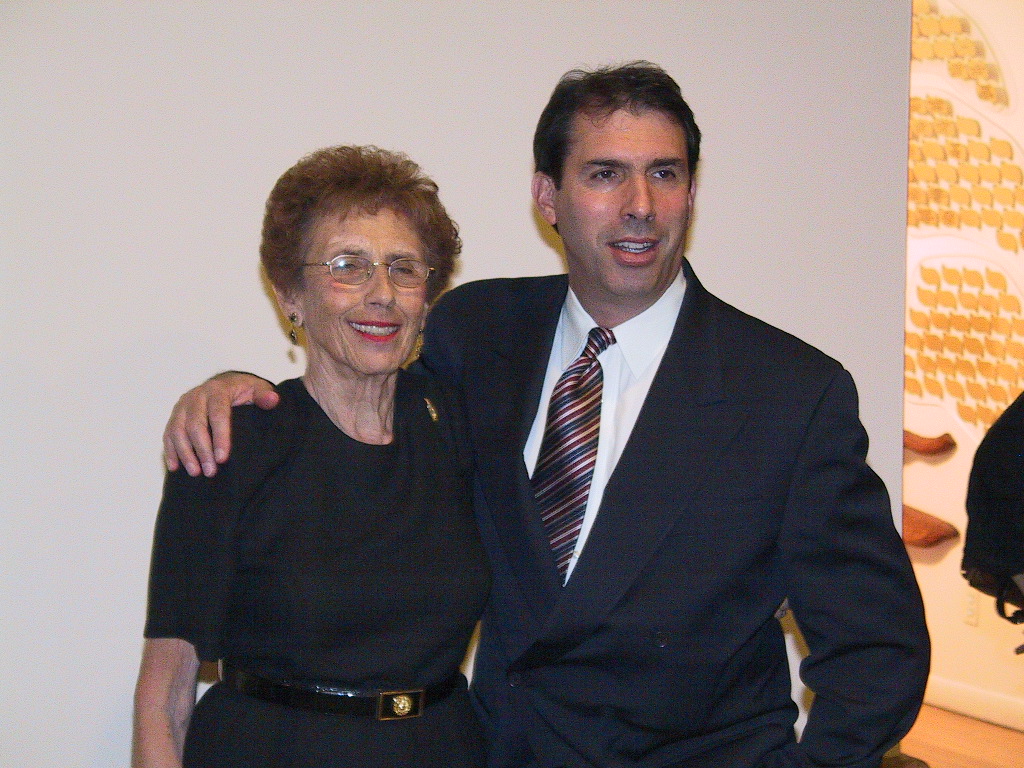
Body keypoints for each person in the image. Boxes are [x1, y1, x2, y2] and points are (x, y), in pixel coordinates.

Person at [162, 63, 930, 767]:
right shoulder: (475, 334)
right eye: (605, 174)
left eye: (664, 174)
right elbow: (358, 401)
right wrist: (235, 387)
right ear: (547, 197)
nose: (640, 206)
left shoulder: (790, 395)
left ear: (691, 193)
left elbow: (878, 651)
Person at [133, 145, 490, 768]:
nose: (382, 294)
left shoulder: (459, 427)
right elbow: (164, 698)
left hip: (440, 749)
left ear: (427, 298)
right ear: (290, 295)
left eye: (404, 269)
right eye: (348, 266)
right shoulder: (231, 443)